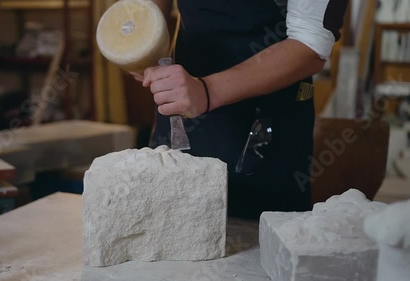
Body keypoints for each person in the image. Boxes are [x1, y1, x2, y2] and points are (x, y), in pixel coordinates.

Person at [131, 0, 349, 219]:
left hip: (263, 129)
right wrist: (143, 41)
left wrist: (207, 91)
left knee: (257, 241)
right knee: (167, 223)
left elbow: (310, 44)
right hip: (181, 107)